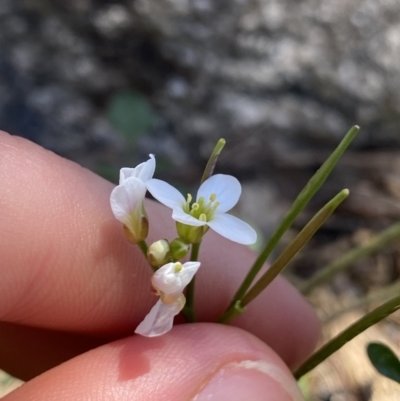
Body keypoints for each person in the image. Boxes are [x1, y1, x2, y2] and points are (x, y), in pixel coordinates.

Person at [0, 130, 319, 400]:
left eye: (202, 216)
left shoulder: (185, 221)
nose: (199, 214)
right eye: (196, 213)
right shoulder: (179, 219)